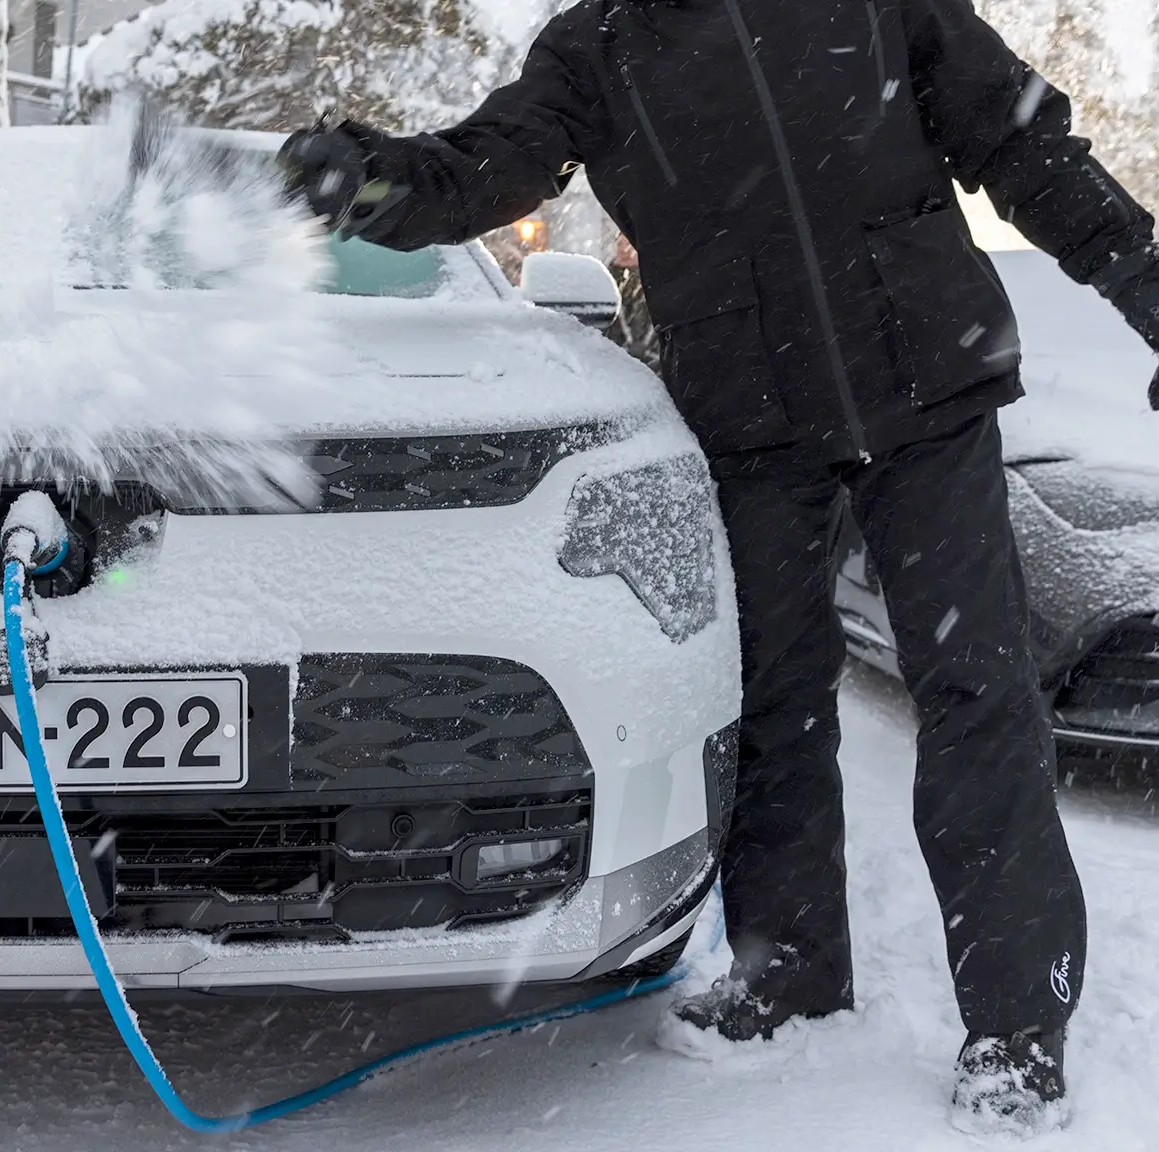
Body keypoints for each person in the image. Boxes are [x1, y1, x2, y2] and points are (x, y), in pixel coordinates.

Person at [281, 0, 1159, 1133]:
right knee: (769, 711)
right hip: (751, 420)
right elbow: (482, 167)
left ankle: (1012, 1027)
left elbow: (1021, 142)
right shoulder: (594, 46)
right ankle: (787, 972)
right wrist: (368, 183)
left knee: (975, 699)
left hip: (924, 393)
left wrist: (1145, 286)